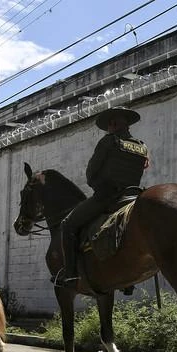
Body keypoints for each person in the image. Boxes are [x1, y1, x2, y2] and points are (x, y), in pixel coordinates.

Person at [60, 107, 149, 289]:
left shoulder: (109, 141)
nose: (109, 128)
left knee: (67, 225)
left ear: (114, 124)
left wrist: (97, 186)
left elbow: (91, 172)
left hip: (108, 197)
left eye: (110, 124)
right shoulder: (142, 146)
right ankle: (127, 281)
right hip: (133, 196)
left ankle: (70, 275)